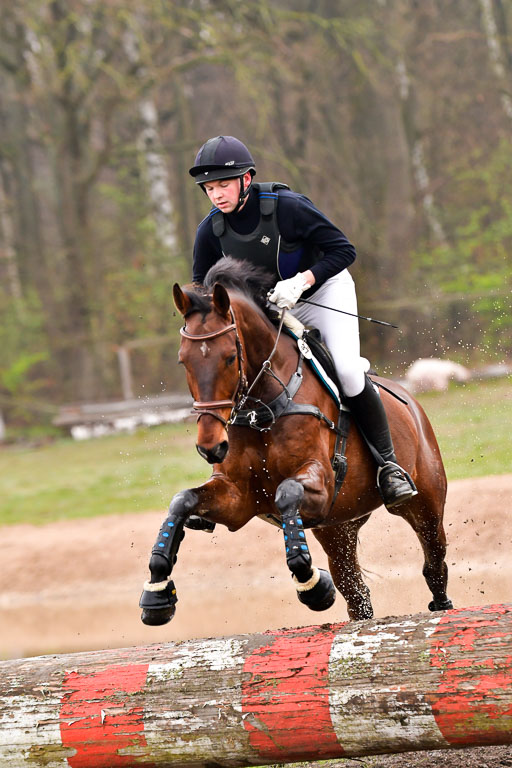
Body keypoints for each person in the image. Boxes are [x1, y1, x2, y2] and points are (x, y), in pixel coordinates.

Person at [188, 135, 416, 509]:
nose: (216, 195)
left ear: (246, 179)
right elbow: (201, 292)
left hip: (323, 292)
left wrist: (302, 281)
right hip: (271, 310)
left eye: (223, 185)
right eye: (209, 188)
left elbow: (344, 250)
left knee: (347, 371)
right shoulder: (209, 231)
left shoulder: (287, 207)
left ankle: (389, 467)